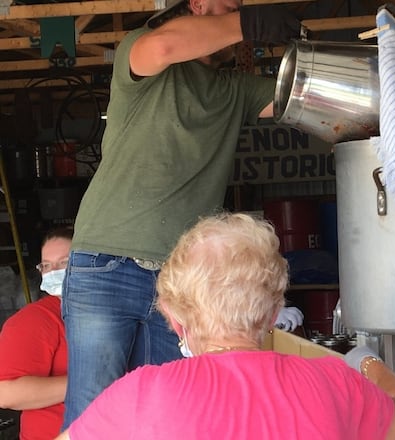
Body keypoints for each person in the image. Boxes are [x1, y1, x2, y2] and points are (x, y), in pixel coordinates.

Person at [60, 0, 304, 428]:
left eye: (240, 8)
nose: (234, 12)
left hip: (183, 280)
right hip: (107, 260)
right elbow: (167, 46)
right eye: (226, 5)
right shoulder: (145, 50)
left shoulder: (236, 88)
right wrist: (248, 22)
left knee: (173, 412)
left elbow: (303, 97)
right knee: (93, 414)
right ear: (195, 4)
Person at [55, 212, 395, 440]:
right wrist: (368, 363)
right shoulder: (333, 381)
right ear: (274, 310)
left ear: (171, 315)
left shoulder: (139, 394)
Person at [0, 227, 72, 440]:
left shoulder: (111, 314)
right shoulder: (36, 319)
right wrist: (94, 382)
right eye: (47, 265)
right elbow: (6, 393)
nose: (54, 271)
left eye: (64, 262)